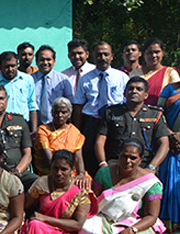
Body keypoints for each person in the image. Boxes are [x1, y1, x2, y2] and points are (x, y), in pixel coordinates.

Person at [79, 139, 165, 234]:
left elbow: (152, 216)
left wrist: (131, 230)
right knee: (87, 229)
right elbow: (93, 201)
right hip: (104, 216)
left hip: (135, 221)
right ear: (118, 156)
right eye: (124, 156)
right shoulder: (105, 173)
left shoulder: (150, 182)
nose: (128, 161)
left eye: (133, 158)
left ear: (141, 159)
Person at [22, 150, 94, 234]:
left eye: (64, 169)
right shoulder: (42, 183)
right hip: (41, 230)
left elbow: (78, 225)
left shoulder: (80, 191)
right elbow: (24, 205)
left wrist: (46, 219)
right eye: (55, 168)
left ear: (72, 170)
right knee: (34, 225)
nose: (59, 173)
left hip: (65, 233)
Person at [73, 41, 129, 176]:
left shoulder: (122, 77)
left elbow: (128, 104)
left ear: (112, 56)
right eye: (99, 55)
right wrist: (77, 130)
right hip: (93, 123)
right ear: (93, 57)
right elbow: (79, 106)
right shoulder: (85, 79)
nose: (102, 58)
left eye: (106, 54)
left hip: (115, 123)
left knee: (114, 155)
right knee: (90, 156)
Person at [95, 76, 170, 172]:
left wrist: (152, 167)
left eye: (139, 89)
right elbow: (100, 140)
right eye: (131, 88)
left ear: (146, 95)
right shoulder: (112, 112)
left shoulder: (155, 114)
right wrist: (103, 163)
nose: (134, 91)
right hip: (115, 164)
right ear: (124, 93)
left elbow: (164, 144)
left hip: (144, 166)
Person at [34, 97, 88, 182]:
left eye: (64, 112)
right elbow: (49, 158)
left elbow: (78, 157)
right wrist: (65, 174)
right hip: (53, 172)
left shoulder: (74, 131)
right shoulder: (43, 130)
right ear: (52, 113)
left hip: (71, 172)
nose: (60, 115)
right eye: (57, 112)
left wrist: (81, 174)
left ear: (69, 114)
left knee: (87, 184)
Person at [0, 51, 38, 132]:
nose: (10, 69)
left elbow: (32, 105)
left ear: (17, 65)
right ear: (0, 67)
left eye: (13, 66)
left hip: (24, 125)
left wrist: (34, 131)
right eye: (7, 66)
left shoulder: (27, 80)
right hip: (3, 126)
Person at [157, 74, 180, 232]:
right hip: (171, 142)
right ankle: (169, 221)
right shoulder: (169, 89)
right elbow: (159, 114)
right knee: (169, 179)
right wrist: (172, 134)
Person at [31, 45, 74, 126]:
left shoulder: (63, 79)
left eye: (48, 59)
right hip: (35, 124)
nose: (45, 63)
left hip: (57, 124)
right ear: (36, 61)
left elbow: (70, 103)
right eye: (42, 60)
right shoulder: (30, 80)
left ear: (54, 61)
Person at [129, 38, 180, 106]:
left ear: (163, 53)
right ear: (144, 54)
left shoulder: (170, 72)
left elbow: (177, 96)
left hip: (161, 113)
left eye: (157, 52)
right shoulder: (135, 73)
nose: (153, 55)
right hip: (138, 112)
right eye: (150, 53)